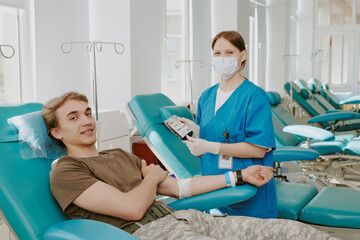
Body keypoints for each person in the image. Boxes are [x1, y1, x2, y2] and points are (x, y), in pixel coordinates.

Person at [43, 91, 335, 240]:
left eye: (88, 113)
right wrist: (151, 177)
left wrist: (238, 175)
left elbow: (181, 187)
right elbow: (130, 209)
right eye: (73, 117)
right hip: (150, 234)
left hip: (189, 219)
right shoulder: (66, 171)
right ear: (57, 132)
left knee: (289, 232)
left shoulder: (119, 154)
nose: (86, 121)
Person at [179, 31, 277, 218]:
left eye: (229, 52)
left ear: (243, 55)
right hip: (213, 186)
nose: (222, 58)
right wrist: (194, 130)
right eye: (217, 53)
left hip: (248, 191)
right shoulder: (206, 96)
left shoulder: (254, 96)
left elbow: (258, 149)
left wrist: (211, 146)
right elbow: (214, 133)